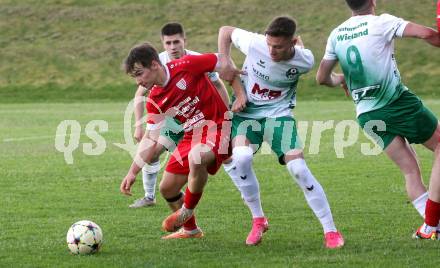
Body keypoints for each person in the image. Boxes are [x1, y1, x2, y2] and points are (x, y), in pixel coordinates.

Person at [316, 0, 440, 239]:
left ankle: (431, 227)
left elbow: (322, 77)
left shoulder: (336, 33)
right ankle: (431, 224)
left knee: (410, 172)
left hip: (367, 115)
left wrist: (340, 79)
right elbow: (425, 34)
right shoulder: (382, 22)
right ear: (372, 1)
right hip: (396, 103)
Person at [217, 16, 344, 248]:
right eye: (269, 45)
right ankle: (258, 219)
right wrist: (225, 60)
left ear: (293, 42)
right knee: (242, 158)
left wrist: (341, 79)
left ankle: (331, 231)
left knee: (299, 168)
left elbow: (314, 64)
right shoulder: (255, 43)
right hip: (246, 114)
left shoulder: (305, 60)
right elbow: (225, 31)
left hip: (279, 116)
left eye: (278, 47)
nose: (272, 51)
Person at [120, 42, 246, 239]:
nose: (138, 81)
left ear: (154, 64)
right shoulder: (155, 98)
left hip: (219, 127)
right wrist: (132, 171)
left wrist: (238, 91)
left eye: (139, 73)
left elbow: (222, 59)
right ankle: (190, 230)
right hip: (191, 135)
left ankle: (187, 209)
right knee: (167, 188)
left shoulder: (187, 65)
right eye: (134, 76)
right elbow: (151, 137)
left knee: (197, 156)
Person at [129, 22, 229, 209]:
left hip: (209, 123)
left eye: (176, 42)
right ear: (163, 43)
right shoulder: (155, 67)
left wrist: (229, 108)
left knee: (220, 157)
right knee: (156, 159)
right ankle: (150, 197)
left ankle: (245, 194)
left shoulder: (193, 61)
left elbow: (220, 78)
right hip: (176, 123)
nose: (173, 47)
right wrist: (138, 126)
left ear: (184, 40)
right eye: (168, 43)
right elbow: (140, 97)